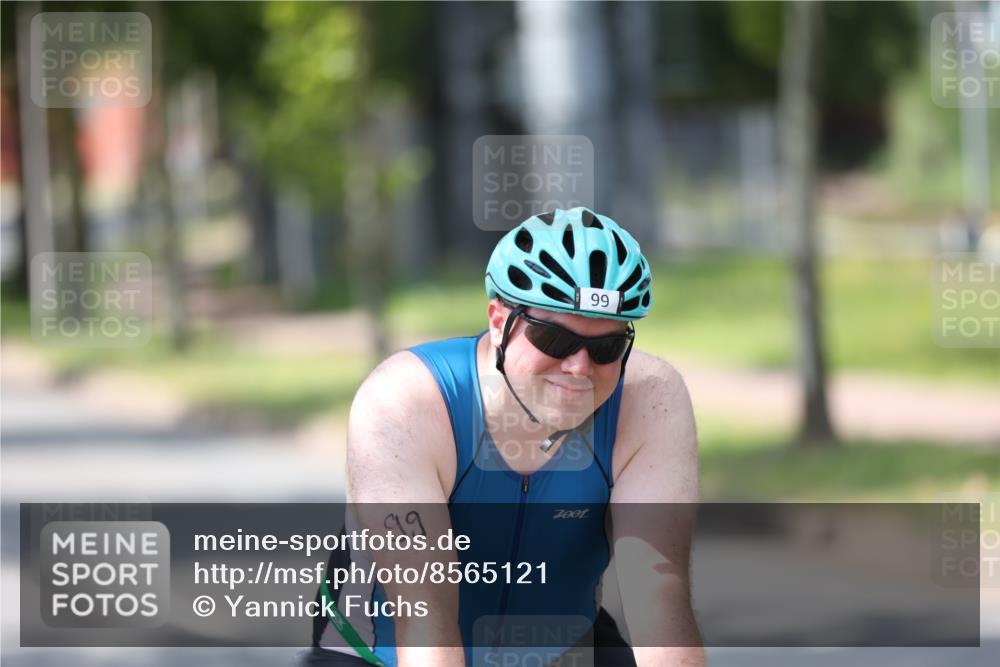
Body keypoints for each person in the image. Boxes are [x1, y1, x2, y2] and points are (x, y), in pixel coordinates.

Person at [298, 207, 704, 667]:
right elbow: (425, 625)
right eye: (555, 339)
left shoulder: (649, 400)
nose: (579, 367)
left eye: (606, 347)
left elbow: (658, 601)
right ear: (498, 321)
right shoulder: (405, 402)